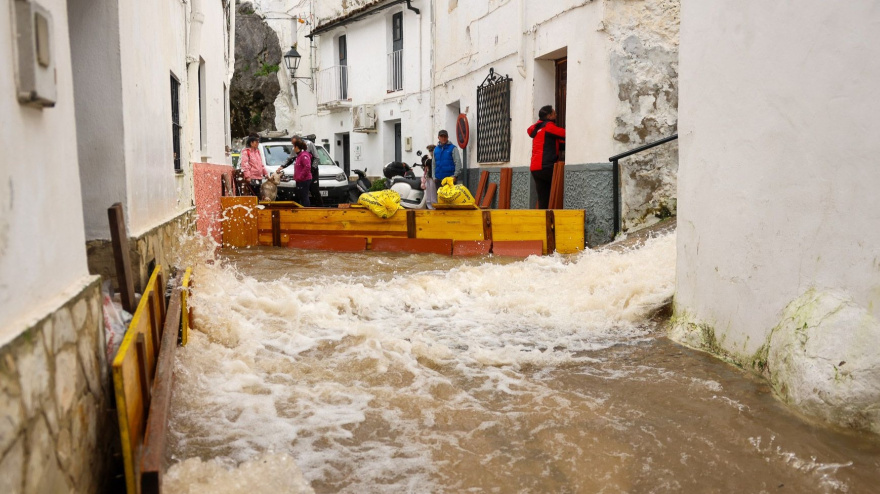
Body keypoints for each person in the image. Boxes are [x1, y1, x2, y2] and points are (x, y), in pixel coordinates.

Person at [527, 105, 566, 209]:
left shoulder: (538, 128)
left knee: (543, 198)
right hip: (547, 166)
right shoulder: (548, 126)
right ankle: (554, 218)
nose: (556, 114)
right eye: (554, 113)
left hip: (536, 168)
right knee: (557, 192)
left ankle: (543, 222)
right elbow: (566, 134)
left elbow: (555, 144)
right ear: (549, 116)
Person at [290, 139, 312, 206]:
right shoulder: (299, 156)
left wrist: (301, 176)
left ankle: (306, 211)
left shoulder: (303, 156)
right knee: (301, 196)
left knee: (304, 196)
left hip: (304, 180)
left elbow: (307, 167)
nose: (293, 149)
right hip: (300, 180)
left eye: (294, 147)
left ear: (297, 147)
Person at [422, 144, 437, 209]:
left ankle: (434, 206)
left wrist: (426, 161)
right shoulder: (429, 158)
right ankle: (429, 206)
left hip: (433, 176)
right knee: (428, 192)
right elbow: (425, 163)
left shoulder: (435, 157)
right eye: (430, 150)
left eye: (432, 150)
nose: (431, 152)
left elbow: (428, 163)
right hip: (428, 176)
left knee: (433, 192)